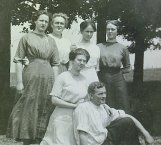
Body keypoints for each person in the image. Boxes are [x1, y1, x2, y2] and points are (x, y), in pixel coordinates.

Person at [6, 10, 59, 145]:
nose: (43, 23)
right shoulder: (26, 38)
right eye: (41, 20)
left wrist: (57, 83)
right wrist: (19, 82)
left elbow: (55, 64)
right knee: (29, 107)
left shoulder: (51, 41)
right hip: (31, 76)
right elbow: (18, 60)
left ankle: (40, 140)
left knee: (45, 106)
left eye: (46, 21)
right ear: (35, 21)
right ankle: (27, 140)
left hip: (48, 78)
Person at [74, 81, 154, 145]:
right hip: (93, 143)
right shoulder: (84, 108)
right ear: (91, 96)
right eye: (100, 94)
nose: (104, 96)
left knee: (127, 121)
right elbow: (82, 134)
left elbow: (128, 116)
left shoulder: (104, 108)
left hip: (105, 139)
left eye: (105, 93)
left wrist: (146, 134)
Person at [40, 48, 90, 145]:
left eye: (84, 61)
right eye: (79, 60)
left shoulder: (84, 79)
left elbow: (87, 99)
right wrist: (74, 106)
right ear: (72, 61)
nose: (82, 63)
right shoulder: (63, 77)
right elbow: (54, 99)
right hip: (62, 117)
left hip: (77, 118)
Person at [97, 20, 131, 113]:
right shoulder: (99, 47)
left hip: (118, 78)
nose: (110, 31)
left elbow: (128, 67)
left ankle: (124, 125)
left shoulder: (122, 48)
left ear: (117, 31)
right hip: (103, 77)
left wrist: (117, 73)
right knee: (106, 103)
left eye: (113, 29)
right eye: (108, 29)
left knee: (122, 103)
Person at [73, 20, 100, 86]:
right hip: (79, 75)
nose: (89, 34)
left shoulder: (96, 48)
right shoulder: (75, 47)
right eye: (87, 31)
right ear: (82, 31)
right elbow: (71, 65)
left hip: (92, 76)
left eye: (91, 32)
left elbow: (97, 68)